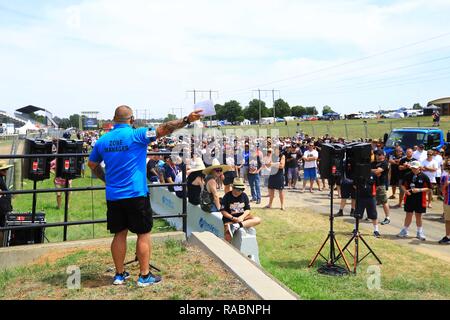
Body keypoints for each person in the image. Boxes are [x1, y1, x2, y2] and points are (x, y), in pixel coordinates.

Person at [88, 105, 202, 287]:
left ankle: (119, 275)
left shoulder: (103, 140)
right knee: (143, 233)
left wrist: (107, 180)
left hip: (114, 194)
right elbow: (165, 127)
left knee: (119, 234)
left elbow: (92, 164)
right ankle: (144, 275)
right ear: (131, 120)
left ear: (114, 120)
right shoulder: (137, 135)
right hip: (136, 193)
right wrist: (187, 120)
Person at [397, 161, 431, 241]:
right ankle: (405, 230)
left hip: (420, 198)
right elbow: (402, 185)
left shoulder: (424, 176)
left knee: (418, 215)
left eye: (415, 168)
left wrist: (419, 190)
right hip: (409, 198)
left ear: (419, 168)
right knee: (408, 214)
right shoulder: (407, 175)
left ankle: (419, 232)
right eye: (412, 168)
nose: (414, 170)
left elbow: (429, 188)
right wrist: (405, 191)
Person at [221, 178, 261, 243]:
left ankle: (237, 226)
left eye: (242, 189)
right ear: (233, 188)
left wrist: (242, 217)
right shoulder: (227, 196)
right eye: (238, 189)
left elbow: (247, 209)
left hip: (242, 218)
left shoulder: (244, 195)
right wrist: (233, 218)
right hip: (230, 219)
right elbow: (223, 211)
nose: (240, 191)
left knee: (258, 219)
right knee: (228, 237)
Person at [353, 173, 381, 238]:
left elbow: (377, 185)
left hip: (371, 198)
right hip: (360, 197)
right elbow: (354, 185)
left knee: (373, 215)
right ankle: (356, 229)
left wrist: (371, 192)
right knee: (358, 214)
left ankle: (376, 230)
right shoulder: (358, 175)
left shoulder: (373, 175)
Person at [372, 150, 391, 225]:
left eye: (380, 154)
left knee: (384, 202)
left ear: (383, 155)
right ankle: (372, 215)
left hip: (381, 185)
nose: (378, 156)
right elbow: (367, 171)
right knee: (372, 201)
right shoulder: (373, 163)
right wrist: (374, 170)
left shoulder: (384, 163)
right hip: (373, 184)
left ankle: (387, 218)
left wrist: (373, 171)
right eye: (377, 154)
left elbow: (377, 171)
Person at [0, 161, 14, 246]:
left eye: (6, 169)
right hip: (1, 207)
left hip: (3, 205)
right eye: (3, 169)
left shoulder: (1, 178)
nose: (6, 170)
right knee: (1, 227)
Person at [439, 159, 450, 244]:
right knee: (447, 220)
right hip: (447, 201)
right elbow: (442, 191)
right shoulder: (445, 176)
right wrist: (446, 185)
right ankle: (447, 237)